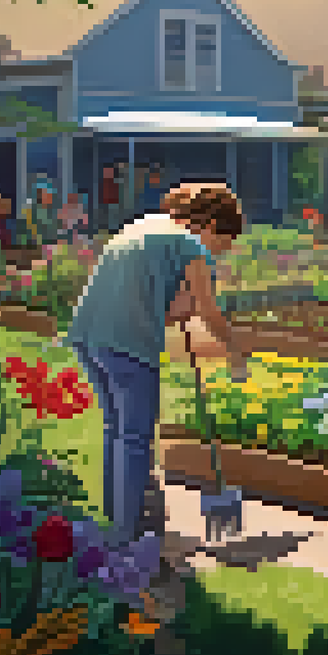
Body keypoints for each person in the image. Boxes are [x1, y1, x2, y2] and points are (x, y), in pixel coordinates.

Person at [67, 183, 249, 547]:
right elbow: (209, 313)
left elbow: (161, 303)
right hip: (128, 344)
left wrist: (178, 308)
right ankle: (126, 536)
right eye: (222, 244)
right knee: (135, 441)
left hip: (88, 336)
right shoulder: (192, 245)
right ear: (211, 225)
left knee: (115, 432)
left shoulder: (141, 227)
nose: (218, 253)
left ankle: (116, 520)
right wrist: (236, 350)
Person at [99, 165, 120, 233]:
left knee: (113, 219)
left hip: (114, 203)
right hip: (105, 204)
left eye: (109, 171)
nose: (107, 173)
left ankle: (114, 230)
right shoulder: (103, 183)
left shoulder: (115, 183)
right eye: (106, 172)